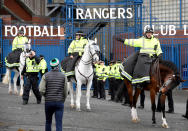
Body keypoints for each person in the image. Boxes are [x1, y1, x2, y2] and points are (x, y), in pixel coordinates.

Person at [116, 26, 163, 92]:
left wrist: (160, 54)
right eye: (148, 33)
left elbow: (158, 49)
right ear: (145, 33)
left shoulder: (156, 41)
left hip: (152, 58)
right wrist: (123, 40)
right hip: (143, 57)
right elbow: (132, 42)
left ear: (152, 33)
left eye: (150, 33)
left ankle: (159, 84)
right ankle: (139, 83)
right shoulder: (142, 40)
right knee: (139, 66)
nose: (149, 34)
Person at [39, 58, 67, 131]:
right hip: (59, 102)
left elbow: (41, 89)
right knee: (59, 123)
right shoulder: (63, 76)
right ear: (58, 66)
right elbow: (65, 91)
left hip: (48, 102)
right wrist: (62, 100)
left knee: (48, 122)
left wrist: (46, 96)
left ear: (51, 66)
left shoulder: (45, 76)